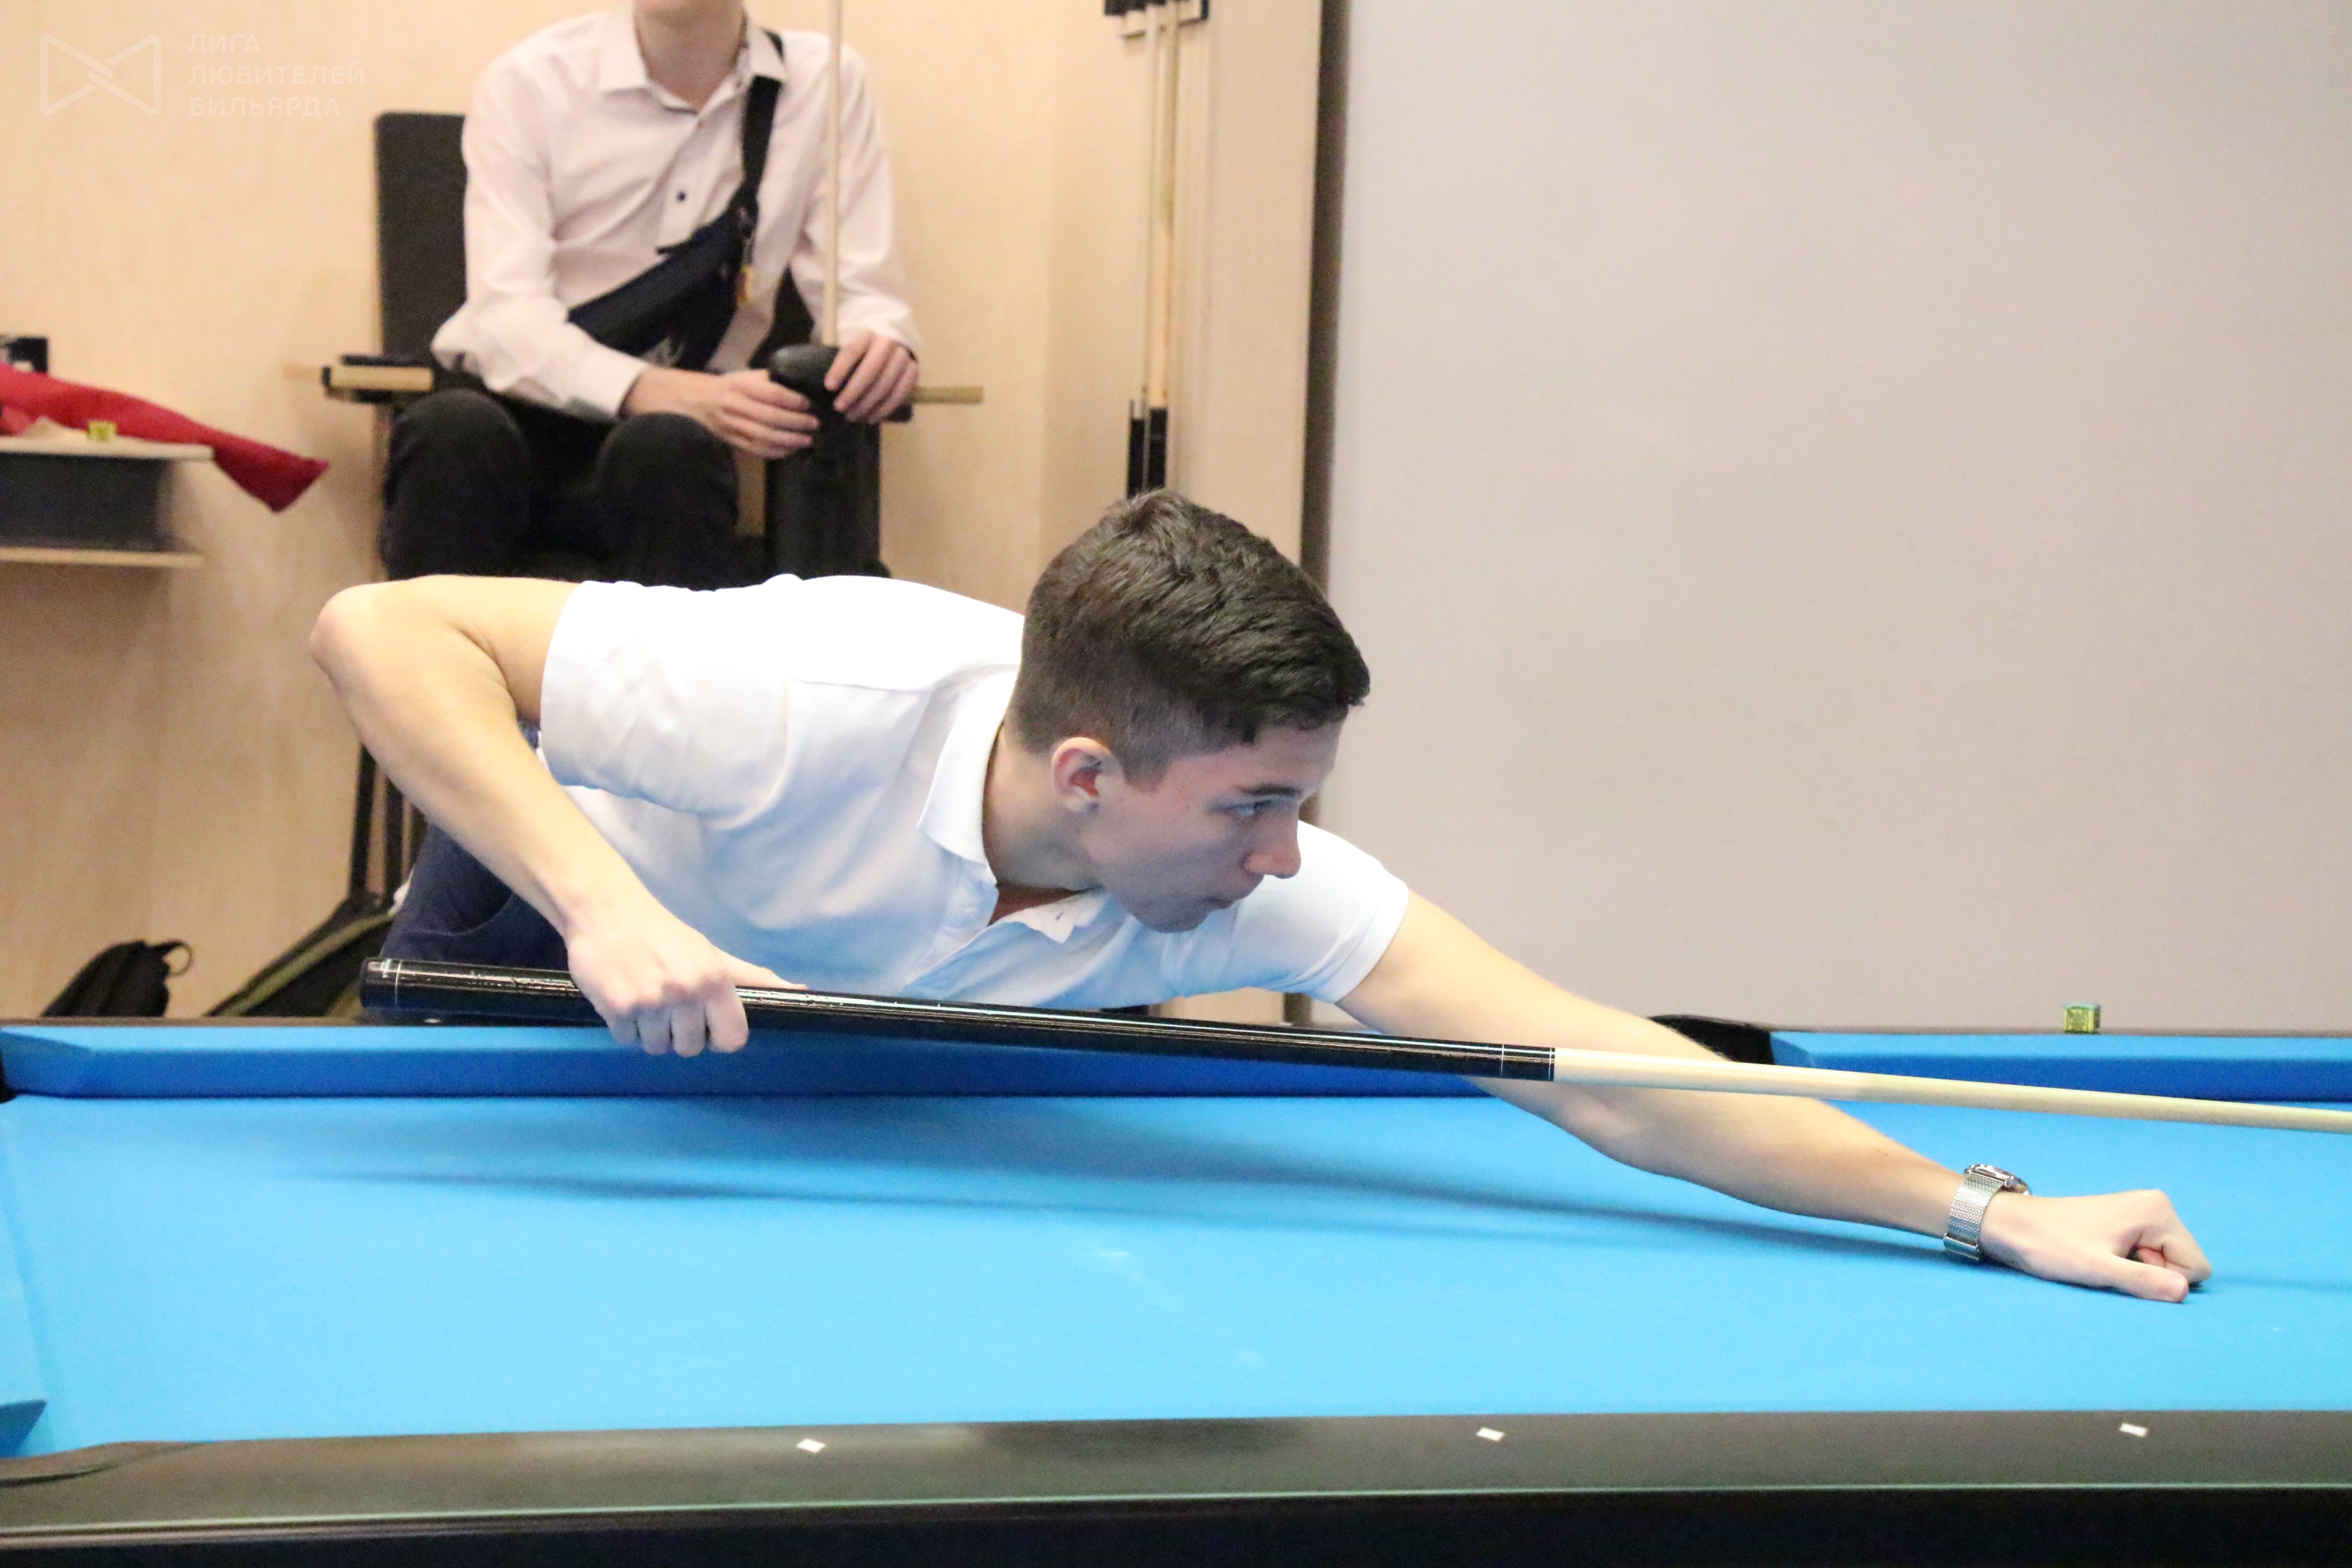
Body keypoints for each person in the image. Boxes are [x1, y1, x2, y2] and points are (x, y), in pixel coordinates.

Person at [312, 490, 2212, 1304]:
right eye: (1255, 805)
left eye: (1299, 802)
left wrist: (1985, 1210)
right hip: (564, 931)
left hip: (794, 1027)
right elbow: (381, 629)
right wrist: (599, 906)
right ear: (1087, 777)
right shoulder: (807, 691)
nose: (1286, 854)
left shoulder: (1236, 879)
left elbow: (1601, 1072)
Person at [382, 0, 920, 587]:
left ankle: (677, 655)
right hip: (514, 409)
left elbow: (861, 292)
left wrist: (881, 344)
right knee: (450, 433)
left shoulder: (825, 80)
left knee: (667, 448)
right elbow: (507, 316)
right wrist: (664, 391)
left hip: (673, 446)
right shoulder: (530, 81)